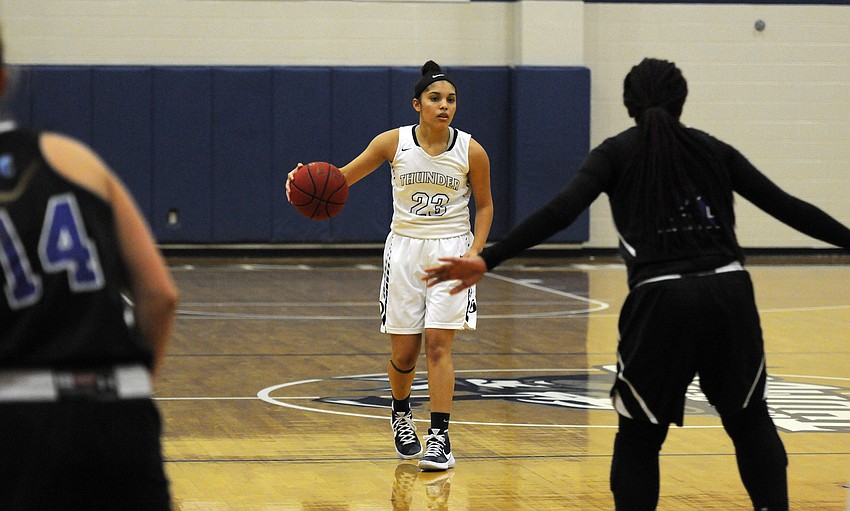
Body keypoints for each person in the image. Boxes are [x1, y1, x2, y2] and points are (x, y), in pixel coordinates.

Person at [423, 57, 850, 510]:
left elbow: (561, 212)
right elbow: (788, 206)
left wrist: (489, 258)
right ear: (681, 100)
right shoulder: (712, 148)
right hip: (729, 292)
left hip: (661, 300)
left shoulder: (615, 153)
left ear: (629, 104)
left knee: (640, 436)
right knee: (750, 422)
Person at [0, 31, 178, 510]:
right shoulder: (73, 159)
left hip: (17, 420)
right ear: (5, 79)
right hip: (119, 413)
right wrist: (135, 385)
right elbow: (160, 295)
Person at [286, 60, 494, 471]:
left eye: (451, 99)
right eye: (435, 98)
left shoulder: (472, 150)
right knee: (405, 353)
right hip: (404, 252)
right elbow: (338, 180)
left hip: (452, 250)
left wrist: (476, 252)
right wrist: (301, 180)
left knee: (438, 345)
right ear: (417, 104)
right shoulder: (392, 143)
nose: (444, 105)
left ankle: (440, 437)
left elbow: (485, 206)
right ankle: (400, 412)